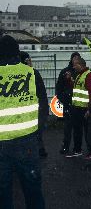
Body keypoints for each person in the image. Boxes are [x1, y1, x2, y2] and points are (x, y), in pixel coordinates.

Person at [0, 35, 47, 208]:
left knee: (3, 194)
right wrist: (37, 134)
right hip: (27, 143)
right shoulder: (31, 74)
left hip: (1, 145)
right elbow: (44, 108)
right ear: (17, 53)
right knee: (33, 191)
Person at [66, 57, 91, 159]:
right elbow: (78, 89)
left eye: (75, 65)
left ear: (81, 65)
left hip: (85, 109)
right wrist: (70, 80)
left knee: (88, 131)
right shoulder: (80, 75)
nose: (73, 67)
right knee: (77, 130)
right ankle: (77, 150)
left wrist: (89, 109)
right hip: (77, 108)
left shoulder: (89, 75)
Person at [20, 51, 49, 158]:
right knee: (36, 133)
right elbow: (42, 93)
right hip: (35, 110)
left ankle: (36, 151)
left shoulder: (16, 75)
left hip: (28, 111)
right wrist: (45, 109)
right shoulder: (33, 73)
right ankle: (39, 151)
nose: (30, 62)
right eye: (28, 60)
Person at [56, 52, 80, 154]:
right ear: (71, 59)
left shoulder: (81, 72)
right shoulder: (64, 72)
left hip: (79, 104)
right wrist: (63, 99)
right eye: (74, 58)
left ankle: (77, 148)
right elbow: (59, 88)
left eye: (78, 58)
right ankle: (65, 147)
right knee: (67, 127)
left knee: (78, 128)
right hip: (68, 104)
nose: (76, 60)